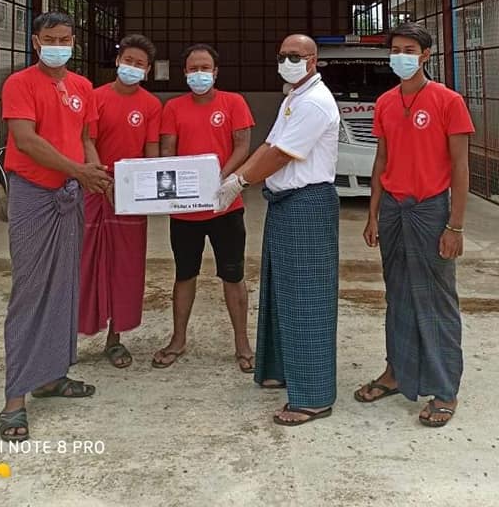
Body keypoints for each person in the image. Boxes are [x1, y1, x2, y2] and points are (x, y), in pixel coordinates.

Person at [0, 11, 112, 441]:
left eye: (65, 39)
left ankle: (51, 376)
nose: (58, 45)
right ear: (36, 41)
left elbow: (85, 139)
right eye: (50, 38)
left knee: (65, 285)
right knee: (30, 290)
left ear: (73, 42)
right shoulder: (20, 84)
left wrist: (95, 172)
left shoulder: (82, 87)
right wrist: (78, 171)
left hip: (71, 193)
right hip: (34, 192)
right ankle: (14, 400)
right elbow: (26, 140)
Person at [216, 34, 340, 427]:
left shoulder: (315, 102)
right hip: (285, 203)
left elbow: (281, 154)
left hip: (307, 205)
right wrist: (236, 176)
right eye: (283, 55)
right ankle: (280, 369)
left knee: (306, 299)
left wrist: (240, 182)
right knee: (280, 290)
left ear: (313, 59)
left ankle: (313, 396)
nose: (287, 61)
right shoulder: (294, 99)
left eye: (295, 56)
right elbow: (268, 145)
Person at [355, 22, 474, 428]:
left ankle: (445, 389)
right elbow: (381, 160)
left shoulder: (448, 101)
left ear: (425, 55)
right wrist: (373, 214)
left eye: (409, 50)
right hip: (393, 208)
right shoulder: (386, 102)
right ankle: (396, 372)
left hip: (431, 210)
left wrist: (455, 225)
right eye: (395, 49)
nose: (401, 56)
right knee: (398, 293)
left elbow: (460, 167)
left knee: (437, 298)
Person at [153, 43, 255, 372]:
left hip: (226, 205)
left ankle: (242, 343)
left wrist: (221, 177)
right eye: (193, 68)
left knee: (233, 274)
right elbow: (168, 150)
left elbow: (243, 145)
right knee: (185, 274)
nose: (199, 74)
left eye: (205, 68)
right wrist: (176, 184)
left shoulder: (234, 102)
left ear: (215, 72)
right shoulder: (173, 108)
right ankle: (178, 339)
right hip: (185, 209)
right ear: (185, 73)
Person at [79, 34, 162, 369]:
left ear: (148, 70)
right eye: (128, 61)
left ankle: (115, 339)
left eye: (139, 64)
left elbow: (151, 151)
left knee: (126, 266)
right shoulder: (95, 97)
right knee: (84, 263)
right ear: (117, 62)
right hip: (94, 187)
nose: (132, 67)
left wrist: (149, 189)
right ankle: (69, 337)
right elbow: (87, 140)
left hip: (131, 195)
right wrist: (101, 179)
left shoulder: (151, 105)